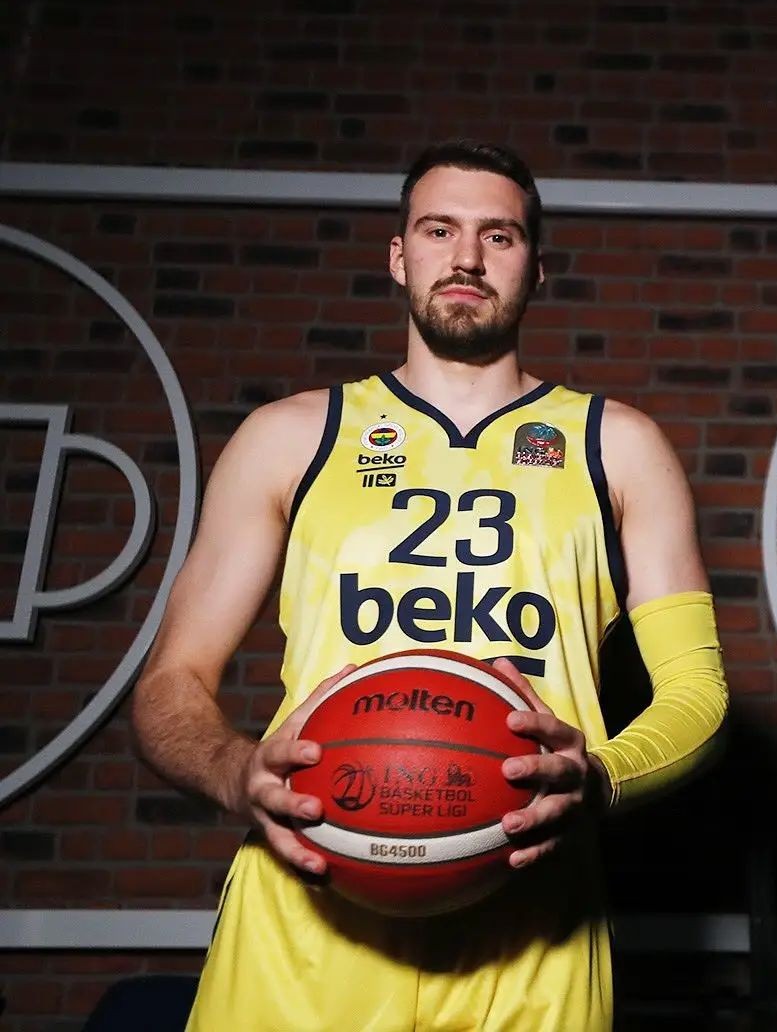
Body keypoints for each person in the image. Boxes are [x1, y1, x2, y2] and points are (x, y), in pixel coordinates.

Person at [132, 140, 729, 1032]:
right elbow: (170, 681)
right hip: (308, 915)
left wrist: (601, 776)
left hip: (534, 928)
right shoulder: (290, 437)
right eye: (439, 229)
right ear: (399, 254)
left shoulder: (619, 447)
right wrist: (232, 772)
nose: (466, 258)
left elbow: (699, 694)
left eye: (499, 236)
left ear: (536, 267)